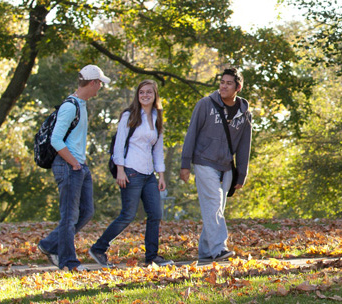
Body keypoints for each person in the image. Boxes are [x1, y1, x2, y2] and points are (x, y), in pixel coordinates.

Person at [89, 79, 174, 267]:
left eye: (149, 92)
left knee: (155, 214)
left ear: (154, 95)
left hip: (148, 174)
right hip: (131, 171)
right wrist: (120, 170)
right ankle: (99, 248)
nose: (145, 95)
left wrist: (160, 175)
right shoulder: (129, 115)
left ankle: (152, 256)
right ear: (138, 95)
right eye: (142, 92)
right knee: (128, 215)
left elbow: (158, 149)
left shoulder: (156, 117)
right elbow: (119, 144)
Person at [37, 64, 111, 272]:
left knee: (86, 212)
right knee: (69, 217)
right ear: (94, 83)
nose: (100, 89)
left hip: (79, 166)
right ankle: (68, 262)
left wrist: (80, 164)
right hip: (69, 166)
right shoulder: (70, 106)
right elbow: (56, 140)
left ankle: (50, 244)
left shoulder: (81, 104)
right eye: (100, 84)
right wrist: (74, 163)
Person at [180, 67, 252, 262]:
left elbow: (245, 146)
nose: (224, 86)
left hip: (227, 167)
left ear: (238, 87)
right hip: (204, 162)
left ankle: (205, 251)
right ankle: (219, 248)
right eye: (222, 82)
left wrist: (241, 174)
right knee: (213, 206)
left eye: (229, 83)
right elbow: (191, 133)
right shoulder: (205, 105)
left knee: (216, 209)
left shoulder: (245, 114)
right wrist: (185, 164)